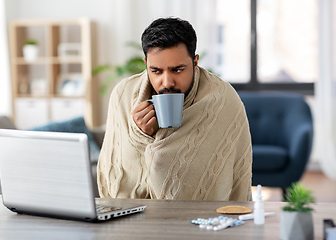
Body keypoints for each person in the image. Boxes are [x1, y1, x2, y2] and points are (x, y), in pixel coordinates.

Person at [97, 17, 252, 201]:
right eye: (156, 71)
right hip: (133, 221)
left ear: (195, 63)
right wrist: (140, 136)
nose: (167, 82)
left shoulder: (223, 99)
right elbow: (115, 185)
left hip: (205, 223)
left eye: (177, 70)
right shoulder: (123, 95)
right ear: (146, 63)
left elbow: (224, 183)